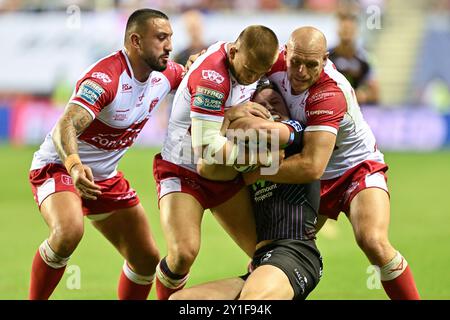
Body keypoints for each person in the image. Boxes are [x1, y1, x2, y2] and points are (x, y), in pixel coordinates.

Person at [245, 26, 420, 300]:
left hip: (355, 168)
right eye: (296, 62)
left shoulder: (330, 91)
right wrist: (200, 59)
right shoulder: (272, 62)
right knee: (272, 253)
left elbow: (311, 166)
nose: (301, 71)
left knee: (373, 242)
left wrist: (254, 173)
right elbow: (235, 56)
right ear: (285, 52)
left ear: (325, 59)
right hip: (317, 176)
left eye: (311, 64)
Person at [28, 9, 185, 300]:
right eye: (161, 38)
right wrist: (74, 166)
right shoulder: (106, 78)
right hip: (60, 167)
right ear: (136, 41)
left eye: (171, 38)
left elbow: (198, 82)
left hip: (104, 178)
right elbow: (67, 123)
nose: (170, 46)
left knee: (146, 259)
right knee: (68, 233)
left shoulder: (167, 75)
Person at [153, 25, 280, 300]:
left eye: (260, 73)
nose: (253, 78)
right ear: (233, 52)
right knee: (183, 253)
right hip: (182, 168)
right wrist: (260, 160)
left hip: (221, 172)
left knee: (267, 257)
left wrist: (232, 114)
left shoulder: (251, 57)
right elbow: (207, 148)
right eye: (249, 70)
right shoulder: (212, 75)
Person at [170, 84, 323, 300]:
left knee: (253, 301)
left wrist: (234, 123)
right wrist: (228, 118)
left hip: (295, 253)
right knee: (181, 301)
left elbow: (262, 133)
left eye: (275, 103)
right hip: (262, 260)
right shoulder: (246, 156)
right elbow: (207, 168)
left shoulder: (296, 134)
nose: (269, 108)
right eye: (261, 105)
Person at [329, 12, 380, 105]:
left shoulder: (366, 58)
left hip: (357, 111)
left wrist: (364, 95)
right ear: (337, 30)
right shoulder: (326, 57)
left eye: (350, 30)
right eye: (344, 29)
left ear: (356, 31)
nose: (347, 32)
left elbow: (375, 94)